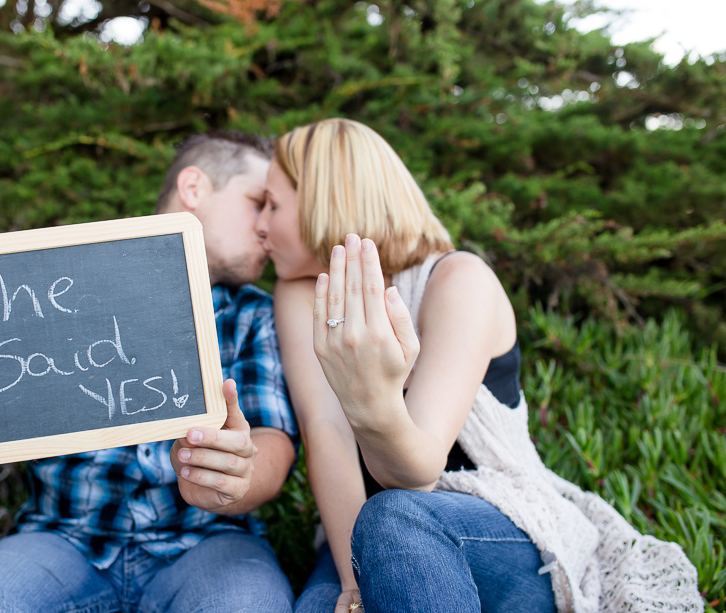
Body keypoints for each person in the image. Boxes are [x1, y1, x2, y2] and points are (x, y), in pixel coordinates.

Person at [256, 118, 703, 613]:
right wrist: (353, 587)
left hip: (493, 526)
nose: (260, 224)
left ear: (325, 199)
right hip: (360, 534)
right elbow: (328, 434)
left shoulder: (458, 280)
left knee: (398, 521)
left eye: (272, 205)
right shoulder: (300, 291)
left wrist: (370, 401)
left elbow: (418, 474)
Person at [0, 131, 300, 612]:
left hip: (209, 544)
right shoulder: (55, 283)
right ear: (194, 187)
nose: (268, 226)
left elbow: (274, 438)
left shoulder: (254, 313)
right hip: (63, 540)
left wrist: (236, 477)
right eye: (258, 202)